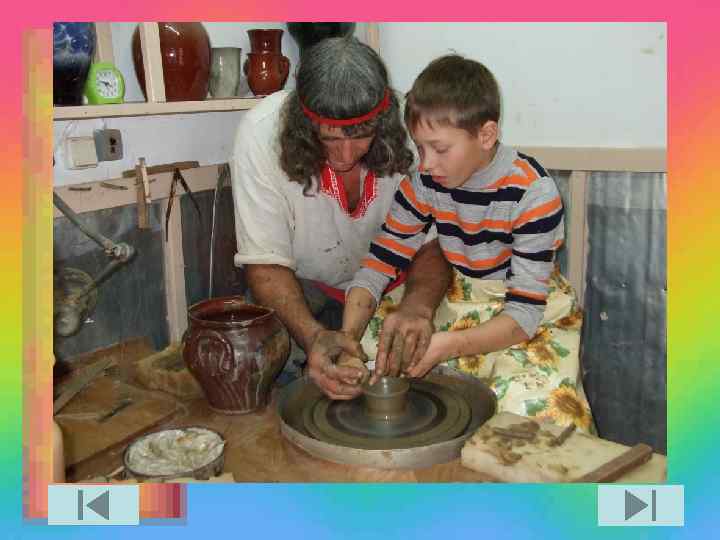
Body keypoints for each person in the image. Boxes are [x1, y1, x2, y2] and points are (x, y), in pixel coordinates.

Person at [230, 38, 452, 400]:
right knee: (260, 367)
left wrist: (418, 308)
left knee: (436, 367)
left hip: (398, 284)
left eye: (361, 136)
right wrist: (313, 337)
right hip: (305, 289)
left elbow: (435, 242)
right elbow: (265, 264)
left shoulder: (413, 128)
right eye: (329, 138)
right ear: (303, 125)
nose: (346, 155)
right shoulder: (261, 133)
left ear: (383, 122)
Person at [344, 53, 565, 381]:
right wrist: (347, 339)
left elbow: (524, 313)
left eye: (440, 149)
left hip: (523, 314)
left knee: (528, 400)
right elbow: (380, 263)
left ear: (486, 136)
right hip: (458, 296)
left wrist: (448, 346)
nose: (426, 164)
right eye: (420, 148)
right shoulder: (424, 182)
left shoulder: (533, 194)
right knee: (375, 362)